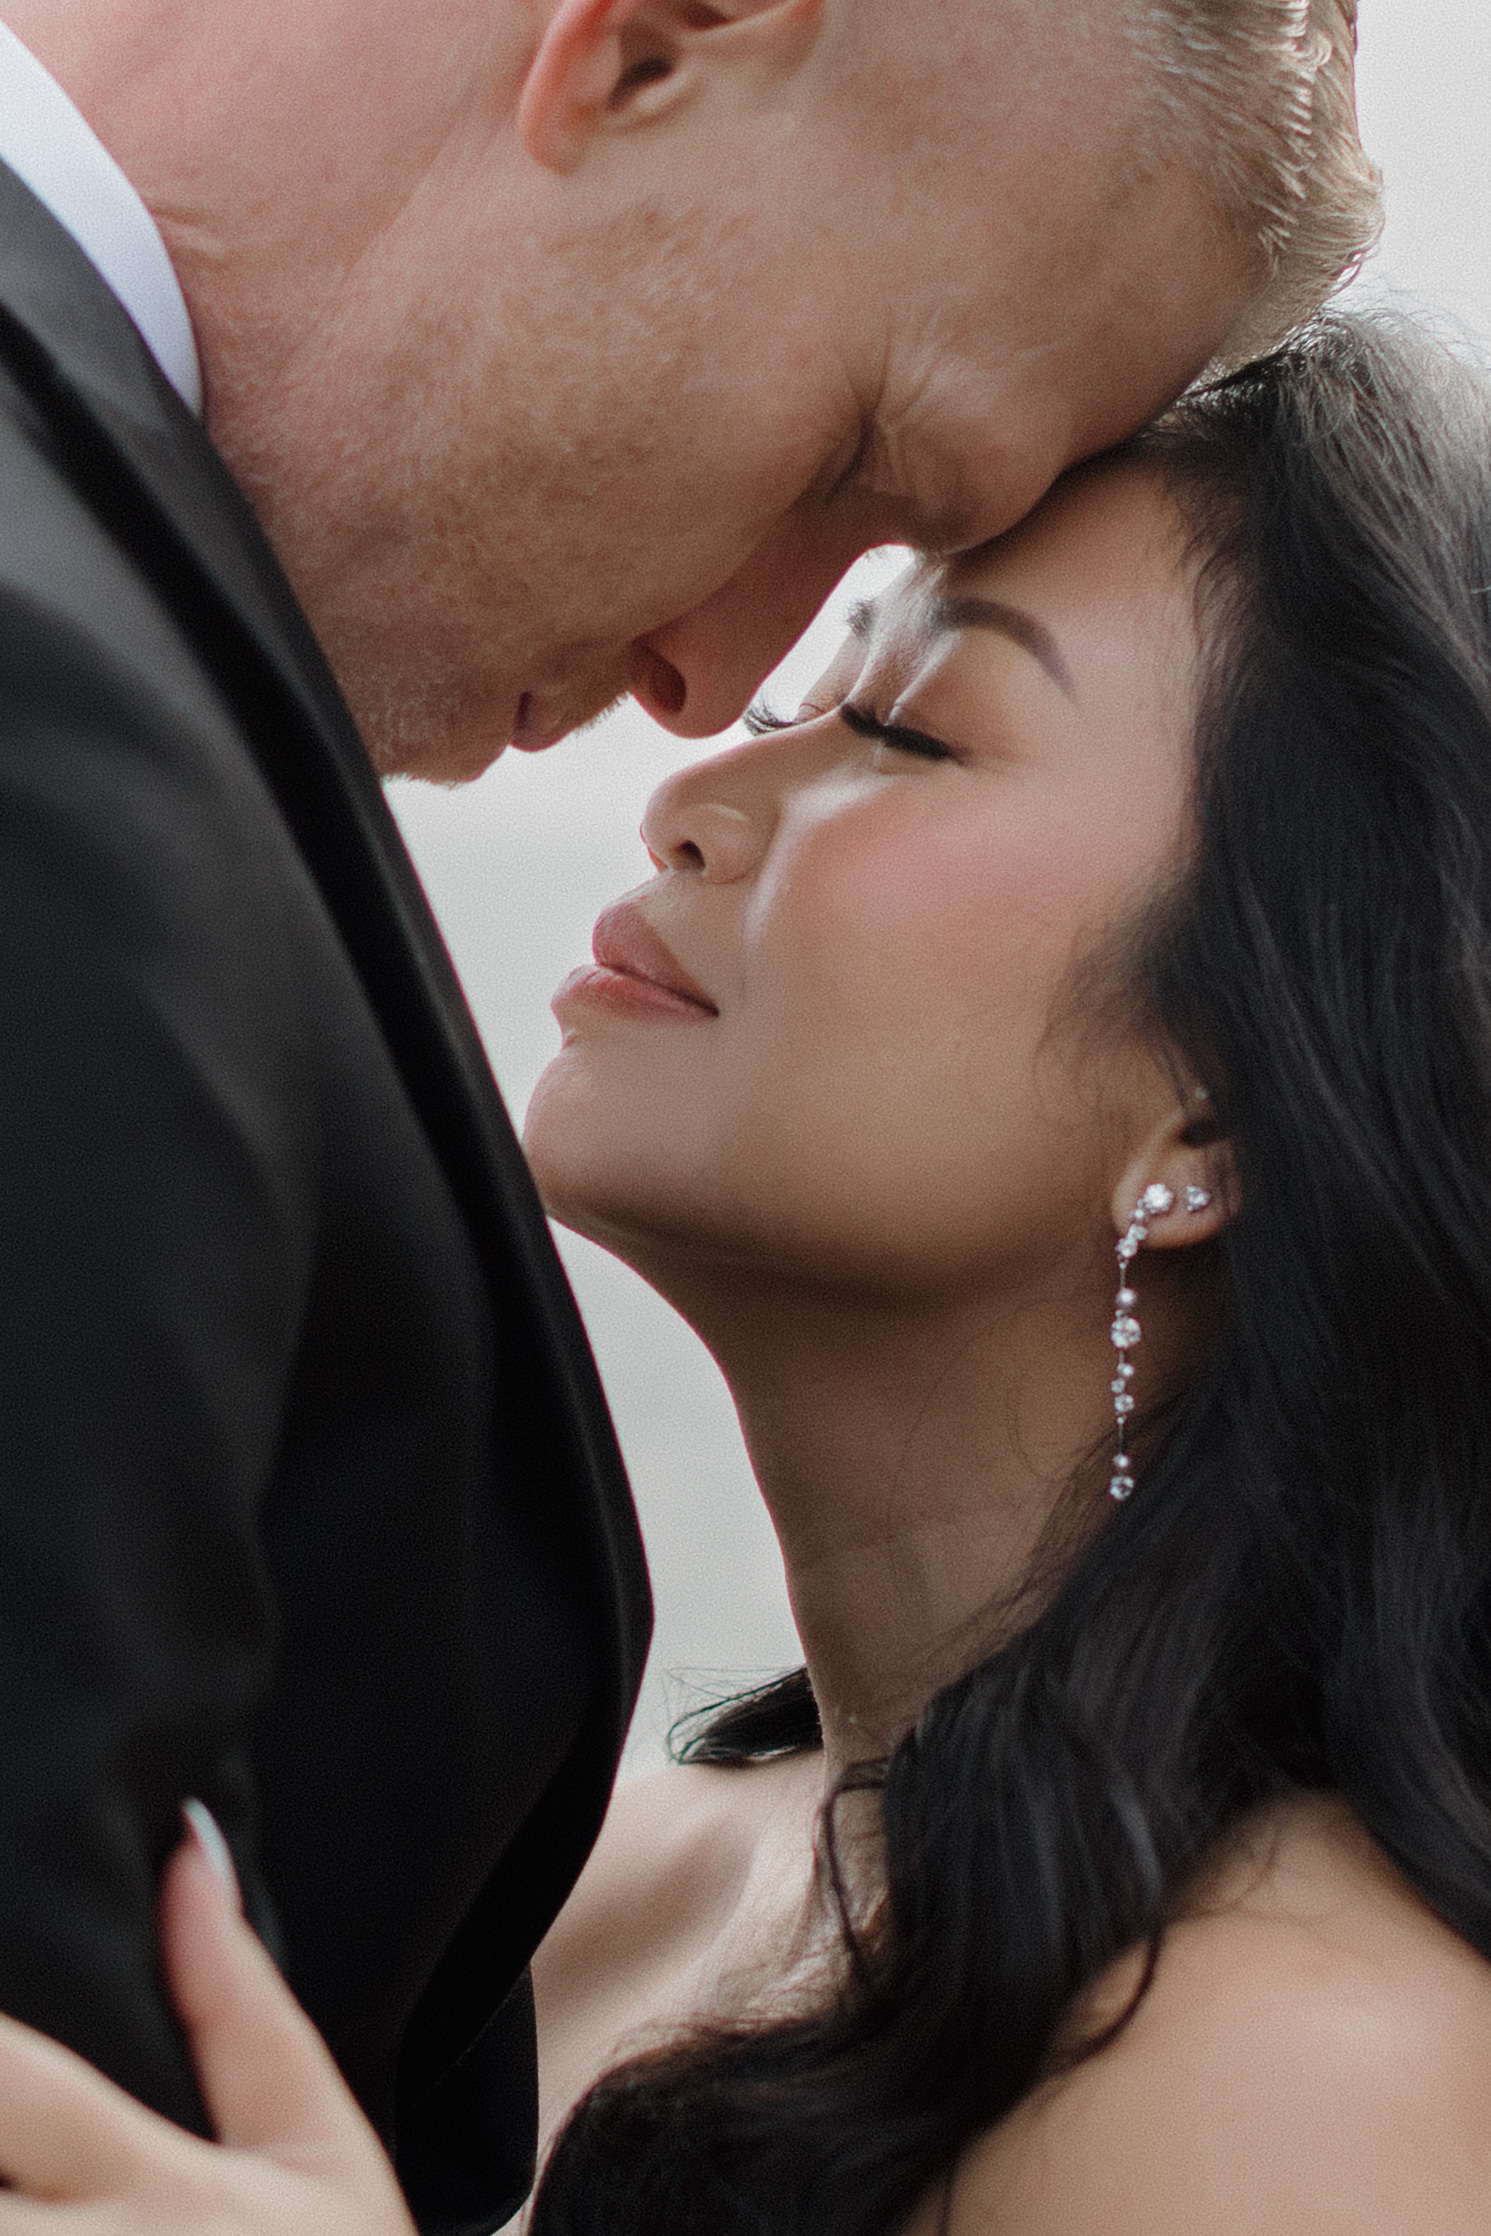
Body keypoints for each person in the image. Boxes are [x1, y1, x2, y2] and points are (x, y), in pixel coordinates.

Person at [0, 0, 1377, 2228]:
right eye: (834, 646)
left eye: (908, 726)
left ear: (1236, 1076)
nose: (695, 747)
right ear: (635, 47)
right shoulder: (605, 1889)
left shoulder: (1317, 2062)